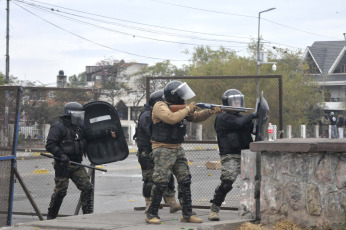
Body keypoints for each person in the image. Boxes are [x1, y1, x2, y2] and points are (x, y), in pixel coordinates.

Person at [145, 80, 221, 224]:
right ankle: (151, 214)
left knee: (185, 180)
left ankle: (187, 214)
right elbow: (171, 118)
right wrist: (187, 109)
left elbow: (196, 117)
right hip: (162, 149)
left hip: (177, 148)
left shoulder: (180, 109)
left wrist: (210, 111)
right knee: (160, 182)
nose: (184, 99)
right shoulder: (159, 106)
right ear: (174, 95)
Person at [45, 102, 116, 220]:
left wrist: (107, 132)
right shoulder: (58, 126)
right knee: (61, 191)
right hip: (63, 164)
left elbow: (91, 135)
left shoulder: (79, 127)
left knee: (87, 188)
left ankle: (87, 217)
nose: (80, 117)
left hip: (77, 164)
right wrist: (61, 155)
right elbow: (50, 144)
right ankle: (51, 217)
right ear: (70, 114)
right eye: (78, 114)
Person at [208, 89, 258, 221]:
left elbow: (253, 129)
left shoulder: (242, 117)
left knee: (255, 182)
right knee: (227, 182)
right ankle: (214, 209)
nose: (237, 103)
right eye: (234, 101)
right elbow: (238, 124)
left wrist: (259, 119)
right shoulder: (223, 118)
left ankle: (254, 210)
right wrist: (253, 115)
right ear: (227, 103)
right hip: (230, 154)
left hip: (247, 153)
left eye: (239, 101)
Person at [133, 90, 181, 214]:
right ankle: (149, 203)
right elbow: (153, 134)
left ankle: (171, 202)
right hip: (147, 153)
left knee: (167, 177)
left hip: (158, 151)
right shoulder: (147, 116)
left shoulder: (155, 114)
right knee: (149, 179)